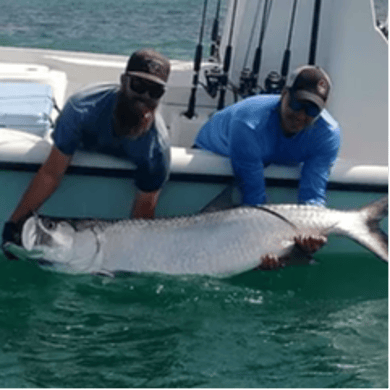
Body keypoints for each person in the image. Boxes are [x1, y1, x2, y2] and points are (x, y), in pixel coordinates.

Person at [2, 48, 171, 253]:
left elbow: (143, 212)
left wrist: (129, 258)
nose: (144, 97)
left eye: (154, 92)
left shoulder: (157, 147)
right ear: (123, 81)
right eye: (138, 86)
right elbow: (51, 173)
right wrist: (15, 223)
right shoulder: (81, 108)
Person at [194, 65, 341, 268]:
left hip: (263, 156)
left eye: (312, 109)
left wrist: (312, 234)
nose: (301, 115)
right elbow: (254, 200)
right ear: (284, 94)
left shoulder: (328, 134)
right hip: (215, 150)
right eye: (297, 104)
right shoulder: (249, 123)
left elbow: (312, 196)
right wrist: (263, 247)